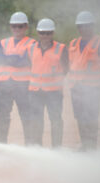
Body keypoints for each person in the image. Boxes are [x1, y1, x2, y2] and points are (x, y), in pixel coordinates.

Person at [68, 11, 100, 151]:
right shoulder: (73, 43)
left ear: (92, 26)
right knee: (80, 118)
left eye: (87, 25)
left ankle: (91, 147)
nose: (84, 28)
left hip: (93, 88)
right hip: (76, 87)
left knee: (90, 118)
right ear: (78, 27)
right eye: (81, 26)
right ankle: (85, 145)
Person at [0, 12, 35, 144]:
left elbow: (27, 61)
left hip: (24, 85)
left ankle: (29, 144)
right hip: (4, 84)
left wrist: (8, 59)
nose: (17, 29)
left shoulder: (32, 43)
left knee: (26, 116)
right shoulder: (4, 42)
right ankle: (1, 143)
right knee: (2, 116)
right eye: (14, 26)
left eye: (20, 26)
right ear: (10, 27)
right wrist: (16, 59)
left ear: (26, 27)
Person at [27, 18, 68, 147]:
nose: (45, 36)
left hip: (54, 92)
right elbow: (30, 66)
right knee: (36, 121)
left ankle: (56, 148)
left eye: (48, 33)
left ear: (52, 33)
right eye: (42, 33)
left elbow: (66, 68)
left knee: (55, 121)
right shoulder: (31, 48)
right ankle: (38, 147)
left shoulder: (61, 49)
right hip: (35, 92)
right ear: (38, 33)